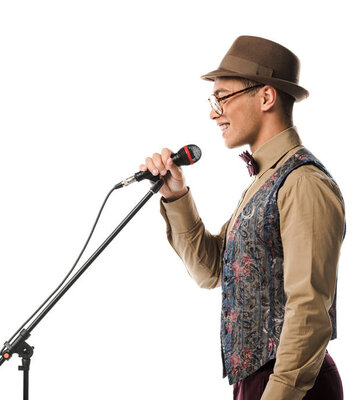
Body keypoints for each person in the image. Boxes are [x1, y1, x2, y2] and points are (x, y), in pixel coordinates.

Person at [140, 36, 345, 399]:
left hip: (293, 386)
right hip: (259, 382)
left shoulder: (303, 183)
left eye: (222, 98)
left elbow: (310, 311)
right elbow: (213, 270)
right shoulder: (265, 180)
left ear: (266, 97)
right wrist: (175, 194)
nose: (213, 112)